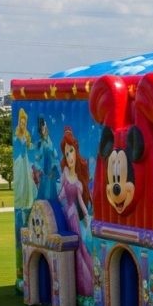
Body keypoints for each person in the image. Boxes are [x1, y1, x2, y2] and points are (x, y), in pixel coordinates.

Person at [59, 127, 94, 296]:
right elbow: (61, 194)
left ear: (76, 151)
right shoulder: (65, 173)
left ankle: (83, 285)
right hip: (66, 213)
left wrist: (86, 216)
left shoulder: (79, 183)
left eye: (71, 151)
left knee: (78, 247)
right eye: (66, 153)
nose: (69, 156)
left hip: (74, 216)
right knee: (68, 247)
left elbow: (80, 201)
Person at [13, 107, 35, 209]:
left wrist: (32, 146)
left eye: (24, 123)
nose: (23, 125)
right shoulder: (16, 134)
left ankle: (27, 201)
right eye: (21, 123)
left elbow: (29, 146)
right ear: (19, 123)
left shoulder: (27, 134)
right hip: (19, 159)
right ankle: (21, 201)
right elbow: (16, 147)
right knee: (20, 179)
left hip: (25, 158)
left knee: (27, 180)